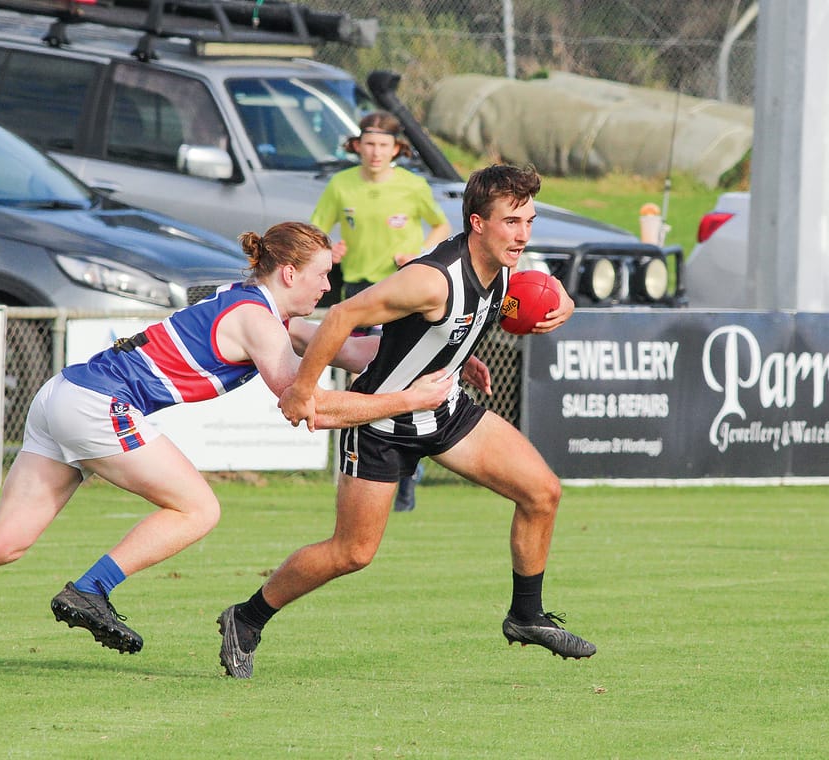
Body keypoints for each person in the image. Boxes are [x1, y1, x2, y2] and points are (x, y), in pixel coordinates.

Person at [0, 222, 456, 672]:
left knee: (5, 540)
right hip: (98, 404)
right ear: (289, 273)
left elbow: (356, 351)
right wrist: (409, 401)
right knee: (199, 509)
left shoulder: (264, 311)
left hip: (63, 394)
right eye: (323, 277)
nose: (329, 289)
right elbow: (306, 405)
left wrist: (451, 347)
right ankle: (92, 590)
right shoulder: (261, 321)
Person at [217, 165, 596, 679]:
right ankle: (246, 617)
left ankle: (526, 616)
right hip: (380, 422)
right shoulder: (431, 279)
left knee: (542, 493)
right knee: (352, 552)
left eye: (528, 220)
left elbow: (532, 297)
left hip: (442, 409)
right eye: (512, 222)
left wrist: (561, 307)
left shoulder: (506, 264)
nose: (523, 234)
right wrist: (303, 390)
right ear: (478, 223)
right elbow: (341, 316)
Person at [312, 110, 453, 512]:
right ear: (357, 145)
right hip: (357, 294)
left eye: (384, 145)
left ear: (397, 150)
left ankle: (408, 474)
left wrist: (421, 256)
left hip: (400, 294)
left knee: (399, 384)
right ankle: (357, 472)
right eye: (368, 144)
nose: (375, 153)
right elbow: (316, 233)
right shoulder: (340, 185)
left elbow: (440, 227)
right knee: (364, 387)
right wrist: (329, 250)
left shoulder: (412, 186)